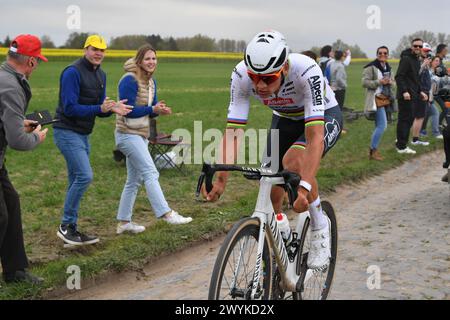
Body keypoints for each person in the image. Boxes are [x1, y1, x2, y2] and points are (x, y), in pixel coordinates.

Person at [204, 31, 343, 270]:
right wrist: (221, 178)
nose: (260, 86)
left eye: (268, 79)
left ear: (285, 68)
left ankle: (320, 225)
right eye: (254, 77)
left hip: (322, 116)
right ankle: (281, 233)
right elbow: (233, 131)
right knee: (270, 183)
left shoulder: (306, 70)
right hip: (285, 118)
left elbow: (314, 137)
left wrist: (304, 187)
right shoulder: (240, 76)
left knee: (293, 160)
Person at [53, 35, 132, 246]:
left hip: (83, 134)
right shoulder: (72, 72)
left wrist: (111, 109)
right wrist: (100, 108)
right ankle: (65, 227)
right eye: (94, 49)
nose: (98, 53)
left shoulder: (101, 75)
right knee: (85, 176)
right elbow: (69, 107)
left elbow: (100, 109)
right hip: (66, 131)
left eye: (102, 50)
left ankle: (70, 228)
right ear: (85, 50)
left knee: (75, 179)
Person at [115, 44, 192, 234]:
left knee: (134, 180)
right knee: (151, 172)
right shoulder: (129, 80)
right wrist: (152, 109)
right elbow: (128, 111)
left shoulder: (151, 82)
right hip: (126, 134)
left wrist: (159, 110)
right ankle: (166, 214)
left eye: (154, 59)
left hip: (141, 135)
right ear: (139, 61)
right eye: (148, 59)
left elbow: (151, 109)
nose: (151, 62)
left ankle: (124, 223)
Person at [0, 34, 48, 284]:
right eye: (37, 61)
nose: (37, 66)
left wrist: (19, 124)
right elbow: (18, 142)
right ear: (30, 61)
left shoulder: (5, 77)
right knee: (1, 216)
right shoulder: (10, 86)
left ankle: (15, 271)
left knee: (12, 202)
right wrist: (36, 138)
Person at [362, 46, 395, 161]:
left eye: (385, 53)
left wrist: (390, 82)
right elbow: (364, 82)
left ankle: (374, 151)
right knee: (382, 126)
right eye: (380, 53)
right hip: (375, 100)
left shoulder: (388, 67)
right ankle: (372, 150)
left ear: (388, 55)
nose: (383, 55)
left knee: (378, 125)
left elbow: (393, 82)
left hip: (385, 99)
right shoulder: (371, 67)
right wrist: (379, 81)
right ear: (377, 55)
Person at [395, 38, 426, 154]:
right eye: (415, 46)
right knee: (405, 120)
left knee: (408, 119)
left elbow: (414, 79)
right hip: (406, 96)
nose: (417, 48)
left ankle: (400, 141)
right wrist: (404, 91)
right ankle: (401, 147)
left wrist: (420, 91)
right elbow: (399, 76)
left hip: (413, 94)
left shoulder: (416, 60)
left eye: (419, 46)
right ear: (411, 46)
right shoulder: (406, 59)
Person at [410, 43, 433, 147]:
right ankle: (415, 140)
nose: (427, 53)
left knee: (419, 116)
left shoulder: (424, 61)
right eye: (425, 51)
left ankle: (414, 137)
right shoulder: (418, 61)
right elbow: (414, 75)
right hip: (420, 92)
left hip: (425, 92)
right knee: (419, 116)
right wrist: (424, 65)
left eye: (428, 51)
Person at [421, 56, 443, 139]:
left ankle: (422, 131)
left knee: (427, 114)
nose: (438, 62)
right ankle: (435, 133)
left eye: (439, 61)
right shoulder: (429, 72)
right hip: (426, 97)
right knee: (434, 113)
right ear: (431, 62)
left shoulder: (437, 72)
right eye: (436, 61)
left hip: (430, 98)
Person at [435, 44, 449, 125]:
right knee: (446, 108)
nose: (447, 51)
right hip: (436, 90)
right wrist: (446, 72)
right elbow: (438, 72)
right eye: (446, 50)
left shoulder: (441, 60)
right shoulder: (437, 60)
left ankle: (439, 124)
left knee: (446, 107)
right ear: (442, 50)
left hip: (441, 88)